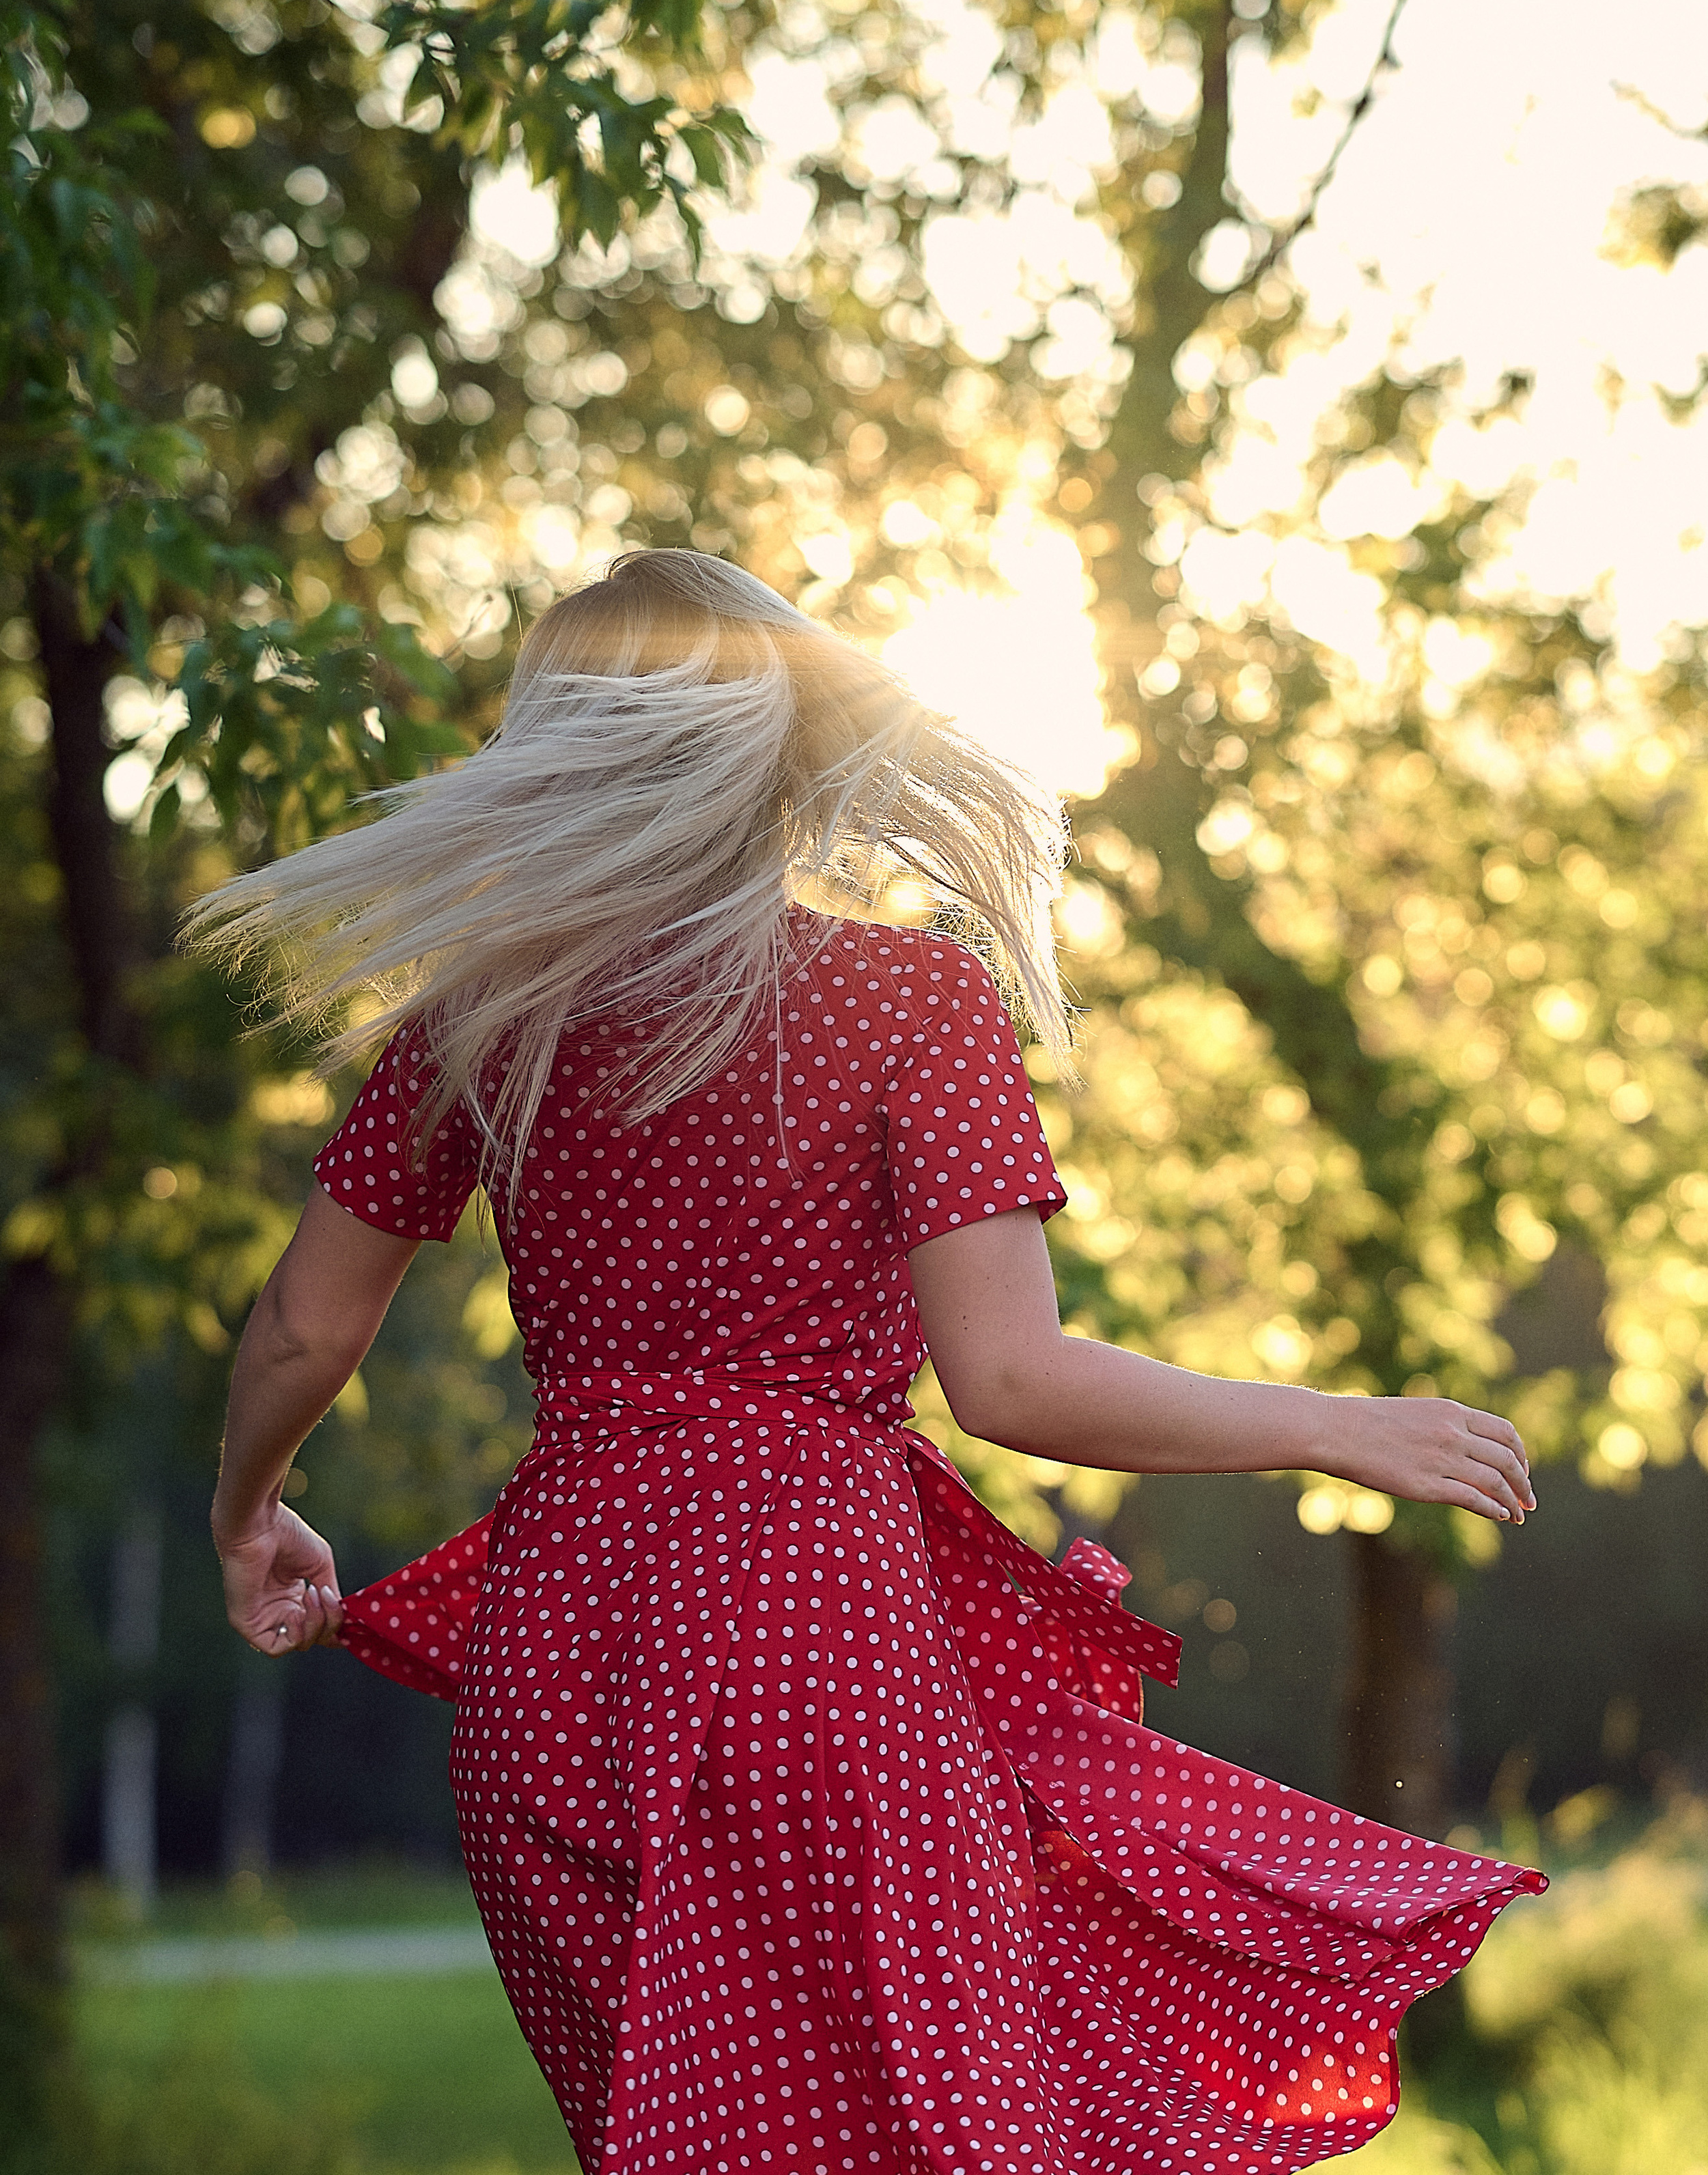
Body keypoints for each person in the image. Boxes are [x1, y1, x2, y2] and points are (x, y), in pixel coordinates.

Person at [190, 548, 1542, 2175]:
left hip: (555, 1664)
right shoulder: (904, 997)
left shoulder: (481, 1019)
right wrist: (1329, 1424)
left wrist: (246, 1510)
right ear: (783, 750)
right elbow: (1013, 1383)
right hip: (808, 1649)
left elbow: (302, 1329)